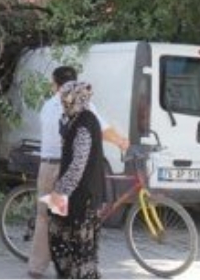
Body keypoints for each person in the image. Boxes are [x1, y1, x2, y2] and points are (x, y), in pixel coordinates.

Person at [28, 66, 128, 278]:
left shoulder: (51, 107)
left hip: (49, 166)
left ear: (56, 85)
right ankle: (71, 267)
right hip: (65, 171)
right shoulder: (84, 111)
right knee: (67, 222)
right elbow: (99, 135)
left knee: (47, 217)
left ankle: (38, 266)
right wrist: (121, 142)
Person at [47, 81, 105, 279]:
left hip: (81, 198)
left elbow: (78, 164)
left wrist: (59, 191)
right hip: (77, 195)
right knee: (69, 246)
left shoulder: (84, 124)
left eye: (66, 98)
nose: (63, 102)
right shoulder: (76, 119)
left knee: (78, 251)